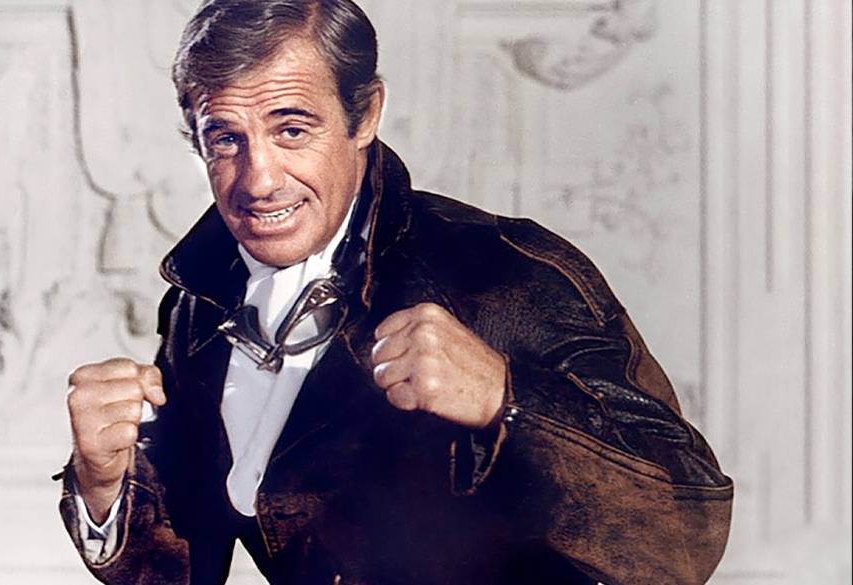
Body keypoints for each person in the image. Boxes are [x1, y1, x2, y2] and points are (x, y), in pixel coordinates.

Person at [58, 1, 733, 584]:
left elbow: (688, 529)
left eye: (292, 129)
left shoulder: (504, 269)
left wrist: (507, 399)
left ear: (365, 115)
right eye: (226, 139)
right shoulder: (201, 300)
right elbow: (192, 560)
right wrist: (105, 481)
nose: (258, 179)